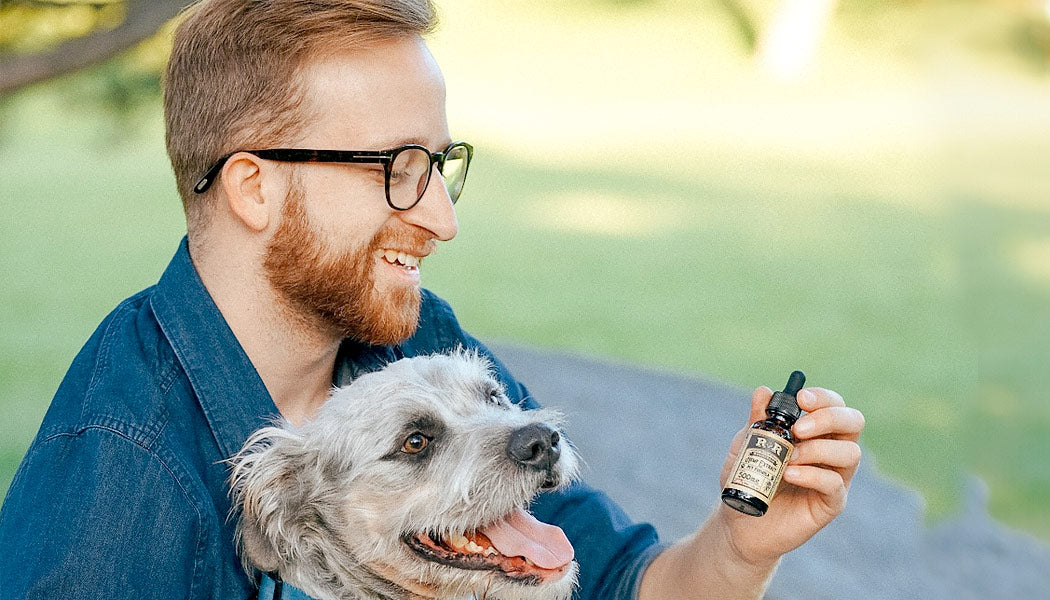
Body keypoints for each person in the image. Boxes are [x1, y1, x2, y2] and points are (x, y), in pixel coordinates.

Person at [0, 0, 865, 598]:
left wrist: (740, 546)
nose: (442, 221)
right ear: (254, 189)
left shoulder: (412, 351)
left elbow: (614, 584)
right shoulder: (118, 489)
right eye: (395, 169)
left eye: (440, 166)